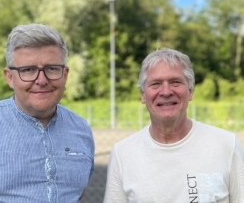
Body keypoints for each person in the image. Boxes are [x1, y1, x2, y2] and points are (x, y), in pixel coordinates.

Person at [0, 24, 95, 203]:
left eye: (52, 68)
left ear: (65, 74)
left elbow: (75, 194)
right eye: (28, 70)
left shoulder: (81, 130)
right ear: (9, 77)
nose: (41, 80)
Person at [103, 48, 244, 203]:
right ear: (143, 95)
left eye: (175, 82)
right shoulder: (123, 153)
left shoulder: (226, 146)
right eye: (155, 84)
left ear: (190, 91)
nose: (166, 92)